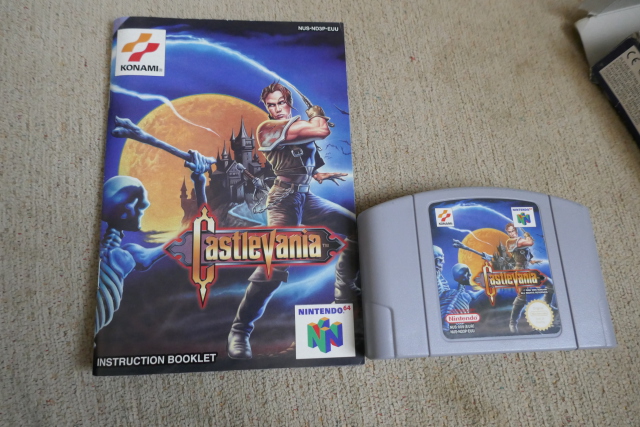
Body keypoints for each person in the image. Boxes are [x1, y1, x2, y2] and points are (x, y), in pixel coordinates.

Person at [226, 82, 359, 359]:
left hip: (306, 197)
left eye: (280, 103)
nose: (276, 109)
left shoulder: (297, 130)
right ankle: (239, 331)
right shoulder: (268, 128)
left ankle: (344, 296)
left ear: (289, 102)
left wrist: (319, 175)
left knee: (358, 230)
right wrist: (317, 114)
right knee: (275, 265)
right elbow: (321, 130)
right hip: (283, 200)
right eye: (271, 105)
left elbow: (307, 162)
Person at [504, 222, 553, 332]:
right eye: (509, 232)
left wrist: (533, 261)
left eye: (513, 231)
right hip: (519, 271)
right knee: (521, 297)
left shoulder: (520, 241)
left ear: (516, 230)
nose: (511, 233)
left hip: (527, 270)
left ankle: (547, 306)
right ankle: (512, 323)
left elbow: (525, 256)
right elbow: (530, 243)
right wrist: (528, 236)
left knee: (549, 284)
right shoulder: (511, 241)